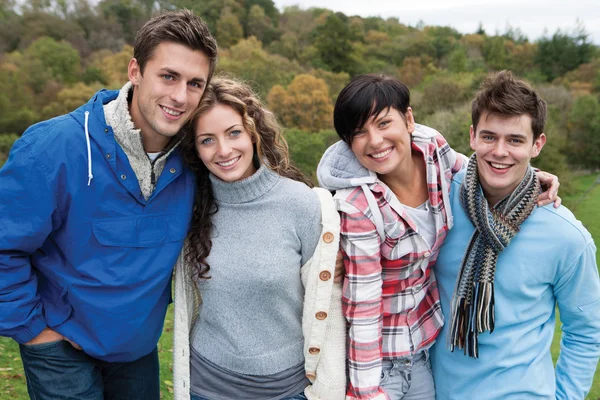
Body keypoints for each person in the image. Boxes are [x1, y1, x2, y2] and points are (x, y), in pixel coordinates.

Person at [0, 10, 217, 400]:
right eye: (168, 76)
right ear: (135, 70)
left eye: (195, 83)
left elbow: (251, 199)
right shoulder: (52, 149)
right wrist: (35, 331)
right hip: (59, 350)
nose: (180, 96)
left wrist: (322, 245)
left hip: (136, 351)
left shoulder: (197, 159)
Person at [316, 74, 560, 400]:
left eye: (383, 123)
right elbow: (363, 308)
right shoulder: (358, 206)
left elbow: (476, 170)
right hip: (373, 362)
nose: (375, 140)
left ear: (408, 119)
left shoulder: (433, 150)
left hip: (422, 350)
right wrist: (366, 392)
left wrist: (530, 178)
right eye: (359, 132)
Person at [172, 76, 346, 400]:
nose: (223, 150)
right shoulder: (188, 208)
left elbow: (329, 305)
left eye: (233, 133)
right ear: (194, 148)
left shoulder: (304, 204)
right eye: (207, 140)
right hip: (207, 387)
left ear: (253, 132)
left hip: (288, 390)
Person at [430, 71, 600, 399]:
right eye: (489, 137)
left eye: (515, 140)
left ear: (538, 144)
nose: (500, 151)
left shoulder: (567, 237)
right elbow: (391, 136)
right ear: (471, 137)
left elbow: (586, 333)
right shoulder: (438, 204)